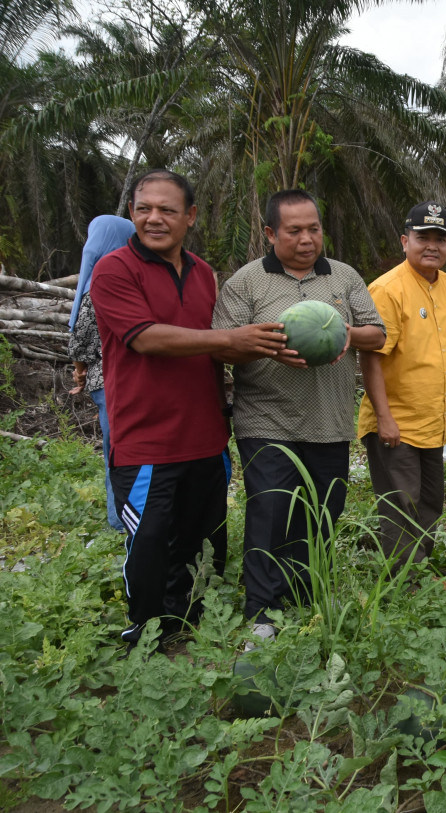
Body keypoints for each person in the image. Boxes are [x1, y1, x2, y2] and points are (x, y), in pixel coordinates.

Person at [91, 169, 289, 650]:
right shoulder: (114, 270)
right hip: (146, 439)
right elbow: (145, 337)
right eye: (143, 209)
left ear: (190, 216)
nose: (153, 219)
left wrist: (263, 344)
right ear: (132, 212)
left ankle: (194, 620)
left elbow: (220, 346)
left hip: (204, 435)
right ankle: (147, 630)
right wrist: (230, 339)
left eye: (167, 210)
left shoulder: (202, 273)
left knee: (204, 540)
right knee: (151, 541)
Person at [212, 189, 385, 645]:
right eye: (294, 231)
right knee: (269, 513)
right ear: (271, 233)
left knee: (323, 514)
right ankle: (262, 612)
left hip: (329, 422)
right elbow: (224, 344)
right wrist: (271, 344)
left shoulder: (344, 277)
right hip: (266, 420)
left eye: (314, 229)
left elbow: (377, 335)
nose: (307, 239)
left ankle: (306, 597)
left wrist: (346, 331)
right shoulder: (246, 283)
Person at [358, 202, 446, 573]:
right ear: (405, 241)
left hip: (434, 419)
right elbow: (371, 357)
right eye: (423, 237)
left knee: (430, 500)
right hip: (397, 422)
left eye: (441, 238)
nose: (432, 245)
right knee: (401, 502)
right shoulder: (387, 290)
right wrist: (384, 418)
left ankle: (417, 568)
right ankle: (404, 582)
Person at [68, 215, 136, 532]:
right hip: (129, 382)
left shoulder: (97, 282)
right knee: (127, 449)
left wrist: (80, 372)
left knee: (117, 449)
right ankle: (122, 518)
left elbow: (80, 340)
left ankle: (120, 519)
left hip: (104, 382)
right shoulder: (134, 280)